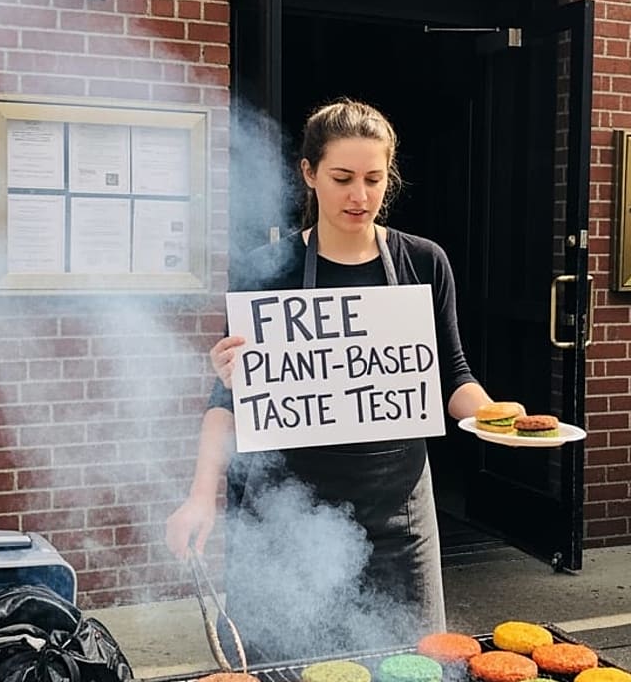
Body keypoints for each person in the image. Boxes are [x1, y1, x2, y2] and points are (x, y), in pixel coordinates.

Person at [165, 99, 495, 662]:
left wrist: (495, 414)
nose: (359, 196)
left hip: (399, 519)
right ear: (309, 173)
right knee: (290, 667)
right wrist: (200, 497)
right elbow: (229, 399)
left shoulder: (425, 261)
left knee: (409, 667)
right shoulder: (265, 269)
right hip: (289, 518)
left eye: (373, 179)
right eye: (342, 178)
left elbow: (453, 377)